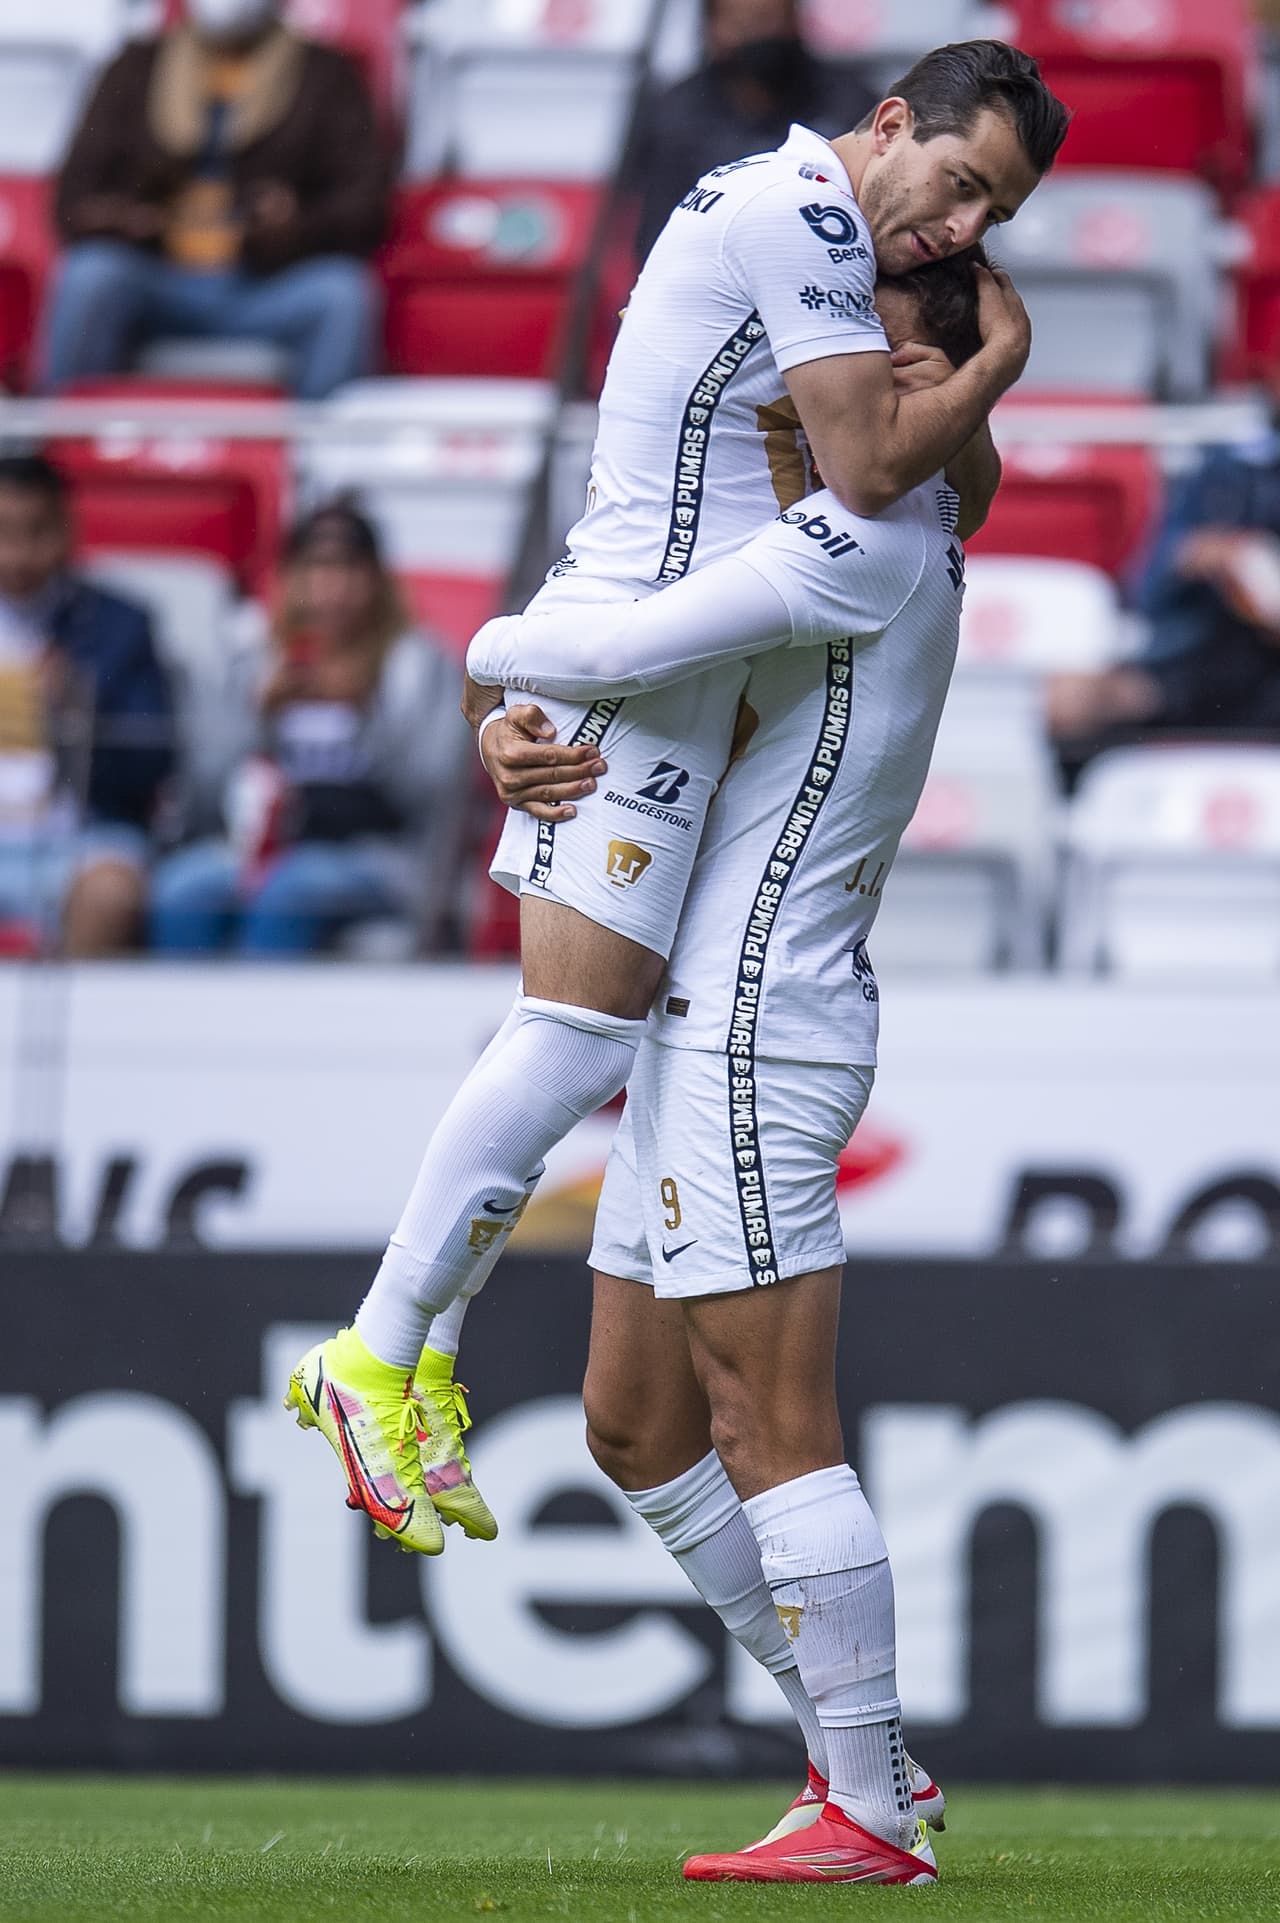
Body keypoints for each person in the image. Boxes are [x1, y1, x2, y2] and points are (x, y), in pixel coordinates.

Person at [284, 39, 1066, 1884]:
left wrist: (509, 681)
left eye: (909, 334)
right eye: (953, 197)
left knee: (765, 1409)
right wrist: (541, 713)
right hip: (733, 999)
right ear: (887, 132)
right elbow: (648, 642)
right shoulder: (856, 505)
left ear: (922, 379)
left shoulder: (857, 544)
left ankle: (868, 1794)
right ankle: (857, 1752)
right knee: (638, 1422)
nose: (861, 352)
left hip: (762, 1016)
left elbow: (588, 633)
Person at [149, 502, 466, 956]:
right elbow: (202, 789)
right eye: (316, 570)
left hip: (375, 853)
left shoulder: (417, 663)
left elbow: (435, 797)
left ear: (378, 580)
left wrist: (367, 715)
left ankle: (259, 1026)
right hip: (255, 848)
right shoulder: (248, 656)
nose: (331, 590)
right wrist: (258, 715)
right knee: (181, 892)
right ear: (289, 578)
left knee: (289, 893)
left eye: (347, 571)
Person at [44, 0, 385, 399]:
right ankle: (57, 444)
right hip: (156, 278)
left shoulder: (326, 74)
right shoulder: (136, 66)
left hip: (265, 285)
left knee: (341, 294)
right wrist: (126, 221)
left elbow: (365, 206)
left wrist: (295, 228)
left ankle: (322, 454)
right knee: (90, 276)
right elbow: (72, 200)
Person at [0, 455, 173, 956]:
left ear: (66, 529)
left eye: (37, 531)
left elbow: (151, 765)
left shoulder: (119, 626)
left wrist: (80, 710)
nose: (19, 553)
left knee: (110, 894)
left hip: (78, 837)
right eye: (5, 532)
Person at [1047, 433, 1280, 753]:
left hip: (1268, 678)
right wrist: (1193, 557)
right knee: (1070, 700)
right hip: (1205, 663)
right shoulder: (1228, 471)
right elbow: (1147, 592)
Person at [626, 0, 877, 261]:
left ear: (796, 21)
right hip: (714, 275)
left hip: (824, 264)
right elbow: (657, 234)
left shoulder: (851, 104)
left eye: (770, 20)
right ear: (713, 29)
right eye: (744, 23)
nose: (760, 35)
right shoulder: (676, 113)